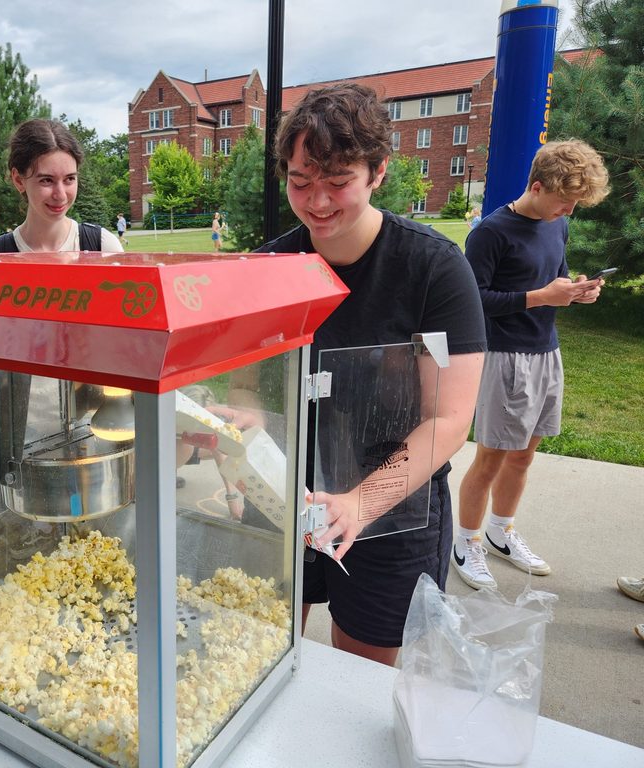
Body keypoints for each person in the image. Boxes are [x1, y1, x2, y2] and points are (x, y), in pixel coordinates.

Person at [256, 83, 486, 665]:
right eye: (301, 182)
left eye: (338, 183)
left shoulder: (434, 269)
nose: (318, 203)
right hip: (284, 496)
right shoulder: (269, 268)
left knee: (364, 677)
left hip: (393, 511)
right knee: (260, 653)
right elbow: (246, 388)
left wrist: (360, 502)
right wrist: (240, 431)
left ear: (378, 172)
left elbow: (450, 417)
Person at [454, 140, 610, 590]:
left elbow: (554, 275)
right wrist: (543, 296)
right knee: (491, 458)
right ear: (537, 186)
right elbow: (474, 301)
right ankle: (466, 542)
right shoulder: (491, 232)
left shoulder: (555, 225)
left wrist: (578, 290)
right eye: (564, 202)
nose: (568, 212)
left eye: (575, 204)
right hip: (504, 356)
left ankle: (501, 531)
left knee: (523, 457)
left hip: (546, 351)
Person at [0, 119, 123, 254]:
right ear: (19, 180)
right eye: (46, 180)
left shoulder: (104, 248)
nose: (60, 195)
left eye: (69, 179)